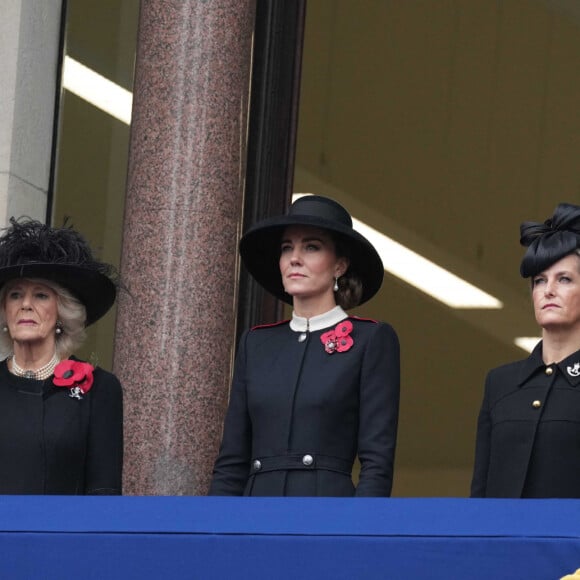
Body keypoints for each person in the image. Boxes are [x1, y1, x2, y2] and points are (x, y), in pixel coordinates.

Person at [209, 195, 400, 497]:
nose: (294, 258)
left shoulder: (370, 340)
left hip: (327, 513)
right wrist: (216, 533)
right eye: (287, 248)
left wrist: (359, 531)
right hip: (254, 513)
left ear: (340, 265)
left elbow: (376, 463)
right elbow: (232, 462)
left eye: (311, 247)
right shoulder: (256, 343)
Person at [0, 217, 123, 494]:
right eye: (15, 295)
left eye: (41, 295)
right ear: (5, 312)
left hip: (62, 536)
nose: (26, 305)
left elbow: (104, 493)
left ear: (62, 312)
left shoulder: (100, 389)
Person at [471, 202, 580, 498]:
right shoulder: (500, 383)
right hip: (503, 543)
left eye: (565, 279)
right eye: (539, 281)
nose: (548, 290)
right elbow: (480, 493)